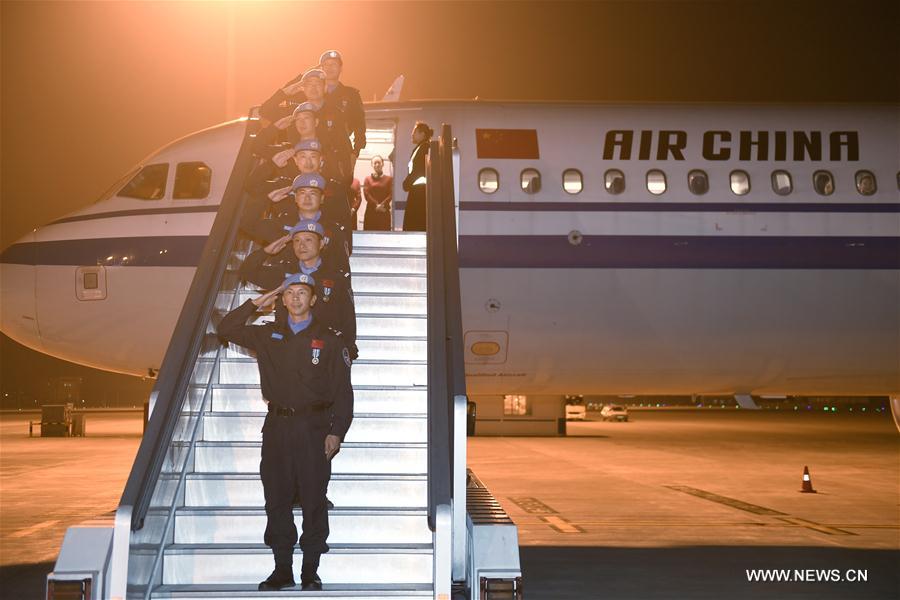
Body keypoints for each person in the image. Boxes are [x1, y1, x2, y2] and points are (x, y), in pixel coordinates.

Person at [217, 273, 353, 591]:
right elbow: (226, 329)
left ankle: (310, 570)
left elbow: (342, 392)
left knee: (313, 500)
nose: (295, 298)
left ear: (313, 299)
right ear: (282, 298)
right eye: (289, 293)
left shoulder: (330, 339)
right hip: (277, 428)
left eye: (302, 292)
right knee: (276, 499)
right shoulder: (268, 335)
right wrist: (254, 303)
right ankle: (282, 569)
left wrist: (337, 432)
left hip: (314, 428)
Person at [239, 219, 357, 360]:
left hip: (324, 351)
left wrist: (348, 346)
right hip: (289, 349)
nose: (302, 245)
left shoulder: (335, 277)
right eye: (296, 241)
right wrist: (266, 252)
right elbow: (247, 271)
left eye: (308, 240)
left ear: (321, 244)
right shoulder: (283, 273)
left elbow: (347, 316)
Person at [242, 173, 351, 275]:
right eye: (302, 193)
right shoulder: (280, 225)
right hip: (285, 287)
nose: (307, 198)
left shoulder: (334, 230)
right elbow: (246, 223)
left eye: (313, 193)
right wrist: (267, 200)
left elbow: (342, 270)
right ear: (295, 198)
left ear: (322, 198)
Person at [318, 50, 367, 173]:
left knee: (342, 190)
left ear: (340, 68)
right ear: (320, 69)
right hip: (316, 153)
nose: (329, 68)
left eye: (333, 64)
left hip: (342, 153)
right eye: (326, 65)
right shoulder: (312, 93)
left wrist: (355, 152)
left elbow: (359, 125)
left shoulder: (351, 95)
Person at [402, 122, 432, 231]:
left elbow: (418, 169)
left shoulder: (424, 148)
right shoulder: (421, 147)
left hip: (419, 192)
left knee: (414, 222)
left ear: (422, 134)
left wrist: (406, 183)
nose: (412, 134)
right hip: (417, 190)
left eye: (414, 132)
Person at [363, 155, 393, 231]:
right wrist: (376, 205)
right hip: (371, 212)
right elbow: (366, 194)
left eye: (379, 162)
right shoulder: (367, 179)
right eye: (375, 163)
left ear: (382, 164)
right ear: (372, 165)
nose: (377, 164)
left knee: (384, 237)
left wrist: (381, 205)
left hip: (384, 212)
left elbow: (391, 194)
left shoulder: (389, 179)